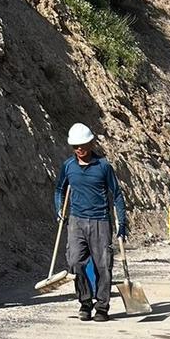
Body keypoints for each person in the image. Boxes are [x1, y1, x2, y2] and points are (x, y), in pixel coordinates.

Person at [54, 123, 127, 322]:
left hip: (100, 221)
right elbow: (60, 190)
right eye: (76, 145)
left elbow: (117, 195)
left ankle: (102, 307)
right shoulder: (68, 166)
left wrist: (122, 222)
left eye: (83, 144)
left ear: (91, 143)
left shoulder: (103, 166)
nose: (80, 149)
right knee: (75, 262)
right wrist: (59, 209)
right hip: (76, 221)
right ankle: (85, 302)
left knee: (103, 265)